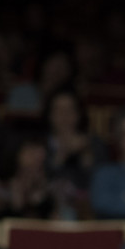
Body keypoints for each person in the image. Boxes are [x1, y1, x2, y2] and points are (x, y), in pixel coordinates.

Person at [42, 86, 109, 219]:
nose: (64, 116)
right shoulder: (40, 144)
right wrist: (60, 156)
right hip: (48, 213)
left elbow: (102, 183)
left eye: (69, 110)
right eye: (58, 110)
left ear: (78, 114)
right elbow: (40, 181)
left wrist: (86, 155)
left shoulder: (94, 143)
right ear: (50, 115)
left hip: (88, 213)